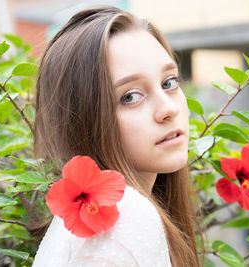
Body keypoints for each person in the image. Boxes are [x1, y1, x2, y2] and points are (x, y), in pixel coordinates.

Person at [32, 6, 202, 267]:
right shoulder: (124, 215)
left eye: (169, 83)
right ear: (85, 120)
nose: (169, 109)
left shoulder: (89, 222)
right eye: (130, 97)